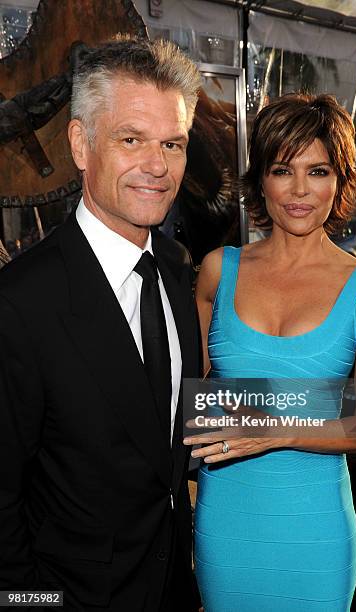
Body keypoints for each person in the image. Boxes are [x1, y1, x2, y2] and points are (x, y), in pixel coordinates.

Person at [0, 38, 203, 611]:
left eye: (172, 144)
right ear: (80, 145)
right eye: (131, 139)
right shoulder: (20, 304)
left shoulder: (175, 267)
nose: (157, 167)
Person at [184, 93, 356, 611]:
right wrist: (190, 504)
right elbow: (196, 402)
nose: (300, 190)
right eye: (283, 170)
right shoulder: (219, 270)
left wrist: (270, 428)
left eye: (318, 170)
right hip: (225, 520)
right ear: (261, 180)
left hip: (315, 530)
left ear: (341, 180)